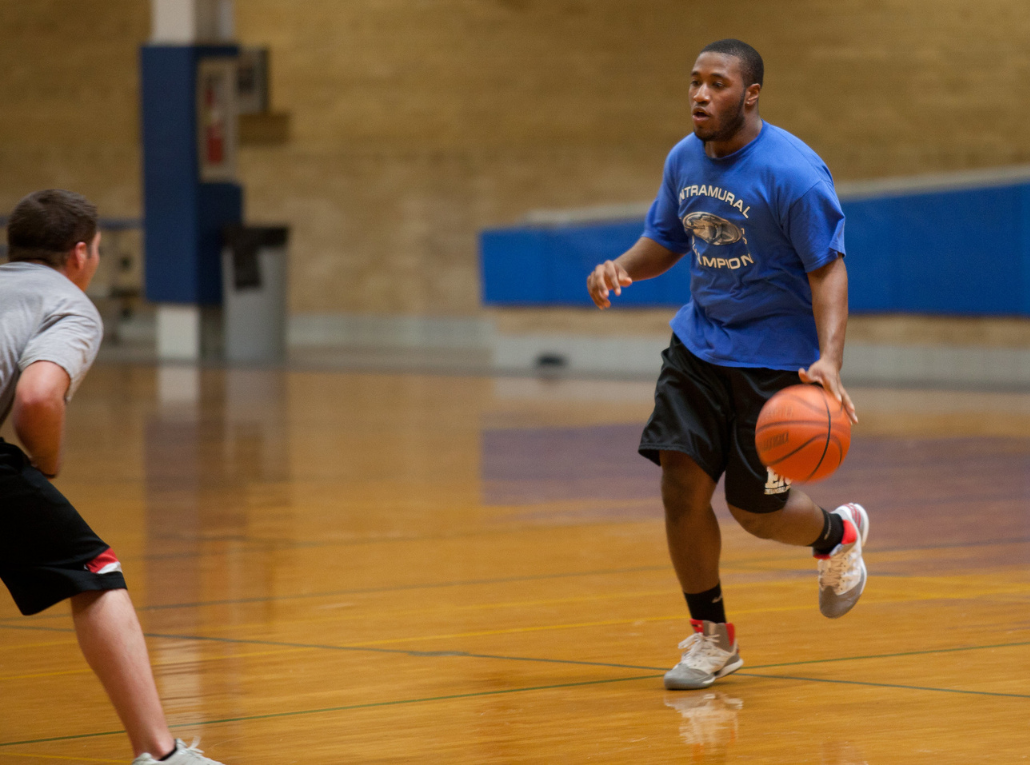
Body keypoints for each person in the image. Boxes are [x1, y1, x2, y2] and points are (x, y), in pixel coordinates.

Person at [586, 39, 867, 691]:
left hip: (774, 369)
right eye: (694, 82)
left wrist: (828, 359)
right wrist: (622, 268)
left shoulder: (794, 173)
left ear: (751, 94)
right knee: (679, 487)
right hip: (698, 349)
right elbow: (667, 238)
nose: (701, 95)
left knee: (755, 512)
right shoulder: (684, 159)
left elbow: (828, 269)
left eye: (717, 84)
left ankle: (837, 531)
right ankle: (712, 636)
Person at [0, 190, 226, 764]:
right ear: (80, 254)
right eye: (97, 251)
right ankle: (161, 753)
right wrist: (46, 463)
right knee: (94, 570)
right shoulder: (66, 302)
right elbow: (37, 396)